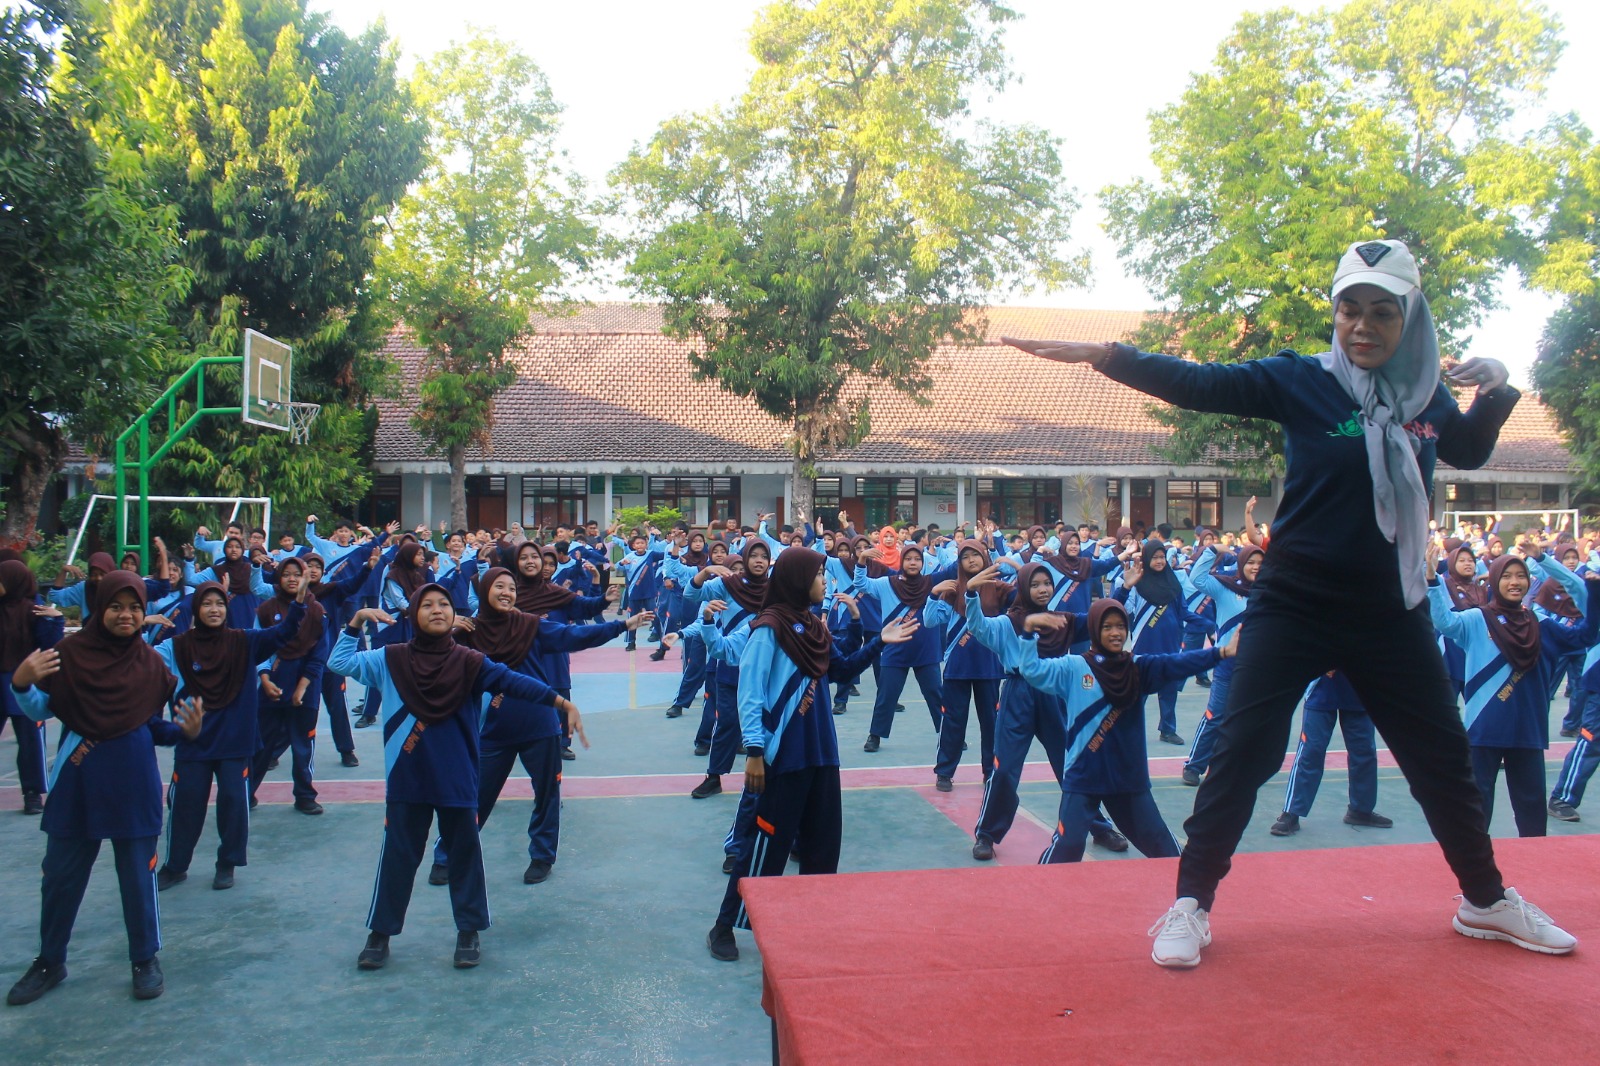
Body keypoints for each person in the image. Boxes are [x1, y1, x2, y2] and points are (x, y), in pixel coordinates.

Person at [1005, 238, 1576, 967]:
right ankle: (1190, 904)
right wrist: (1107, 355)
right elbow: (1199, 383)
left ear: (1409, 318)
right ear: (1334, 314)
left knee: (1442, 758)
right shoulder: (1300, 380)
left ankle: (1486, 901)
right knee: (1244, 749)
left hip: (1390, 608)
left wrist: (1494, 389)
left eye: (1382, 312)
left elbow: (1465, 449)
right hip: (1295, 601)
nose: (1362, 326)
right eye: (1349, 310)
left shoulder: (1426, 394)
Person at [328, 585, 564, 971]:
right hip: (407, 778)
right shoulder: (390, 659)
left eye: (444, 605)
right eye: (427, 605)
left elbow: (512, 682)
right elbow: (339, 663)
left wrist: (558, 701)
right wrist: (355, 622)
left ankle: (469, 930)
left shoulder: (470, 661)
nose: (437, 610)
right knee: (398, 857)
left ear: (454, 614)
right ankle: (380, 933)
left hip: (457, 778)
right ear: (412, 614)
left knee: (464, 855)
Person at [706, 548, 916, 962]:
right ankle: (724, 925)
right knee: (765, 848)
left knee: (822, 846)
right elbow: (750, 692)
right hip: (783, 756)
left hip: (821, 753)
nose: (825, 581)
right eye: (819, 575)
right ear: (799, 580)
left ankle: (812, 922)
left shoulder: (814, 627)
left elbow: (841, 670)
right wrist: (753, 751)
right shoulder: (768, 628)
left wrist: (879, 641)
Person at [5, 572, 204, 1005]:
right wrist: (21, 683)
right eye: (116, 606)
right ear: (100, 608)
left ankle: (145, 958)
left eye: (134, 608)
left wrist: (183, 732)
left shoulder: (151, 665)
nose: (125, 615)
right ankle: (50, 961)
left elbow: (152, 726)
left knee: (137, 877)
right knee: (60, 877)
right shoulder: (69, 654)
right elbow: (41, 708)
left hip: (133, 786)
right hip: (78, 782)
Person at [425, 567, 639, 886]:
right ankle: (446, 854)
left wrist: (620, 625)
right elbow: (430, 660)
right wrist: (447, 630)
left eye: (512, 588)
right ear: (484, 591)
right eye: (499, 586)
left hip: (540, 725)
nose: (507, 593)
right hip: (492, 729)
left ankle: (542, 855)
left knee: (547, 795)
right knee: (473, 796)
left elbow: (574, 636)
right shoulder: (468, 631)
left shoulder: (531, 625)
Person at [1018, 598, 1227, 863]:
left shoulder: (1138, 667)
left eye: (1120, 626)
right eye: (1107, 627)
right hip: (1084, 775)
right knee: (1067, 847)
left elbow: (1177, 663)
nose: (1115, 633)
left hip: (1128, 777)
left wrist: (1220, 653)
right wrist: (1028, 631)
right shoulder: (1074, 668)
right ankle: (1042, 888)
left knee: (1163, 848)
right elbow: (1032, 670)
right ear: (1094, 630)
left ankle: (1187, 888)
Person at [1426, 543, 1597, 836]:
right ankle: (1475, 862)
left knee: (1532, 814)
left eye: (1520, 576)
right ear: (1494, 580)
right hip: (1485, 729)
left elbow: (1585, 636)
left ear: (1529, 581)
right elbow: (1445, 621)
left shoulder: (1541, 624)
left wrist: (1593, 593)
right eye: (1506, 576)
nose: (1514, 582)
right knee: (1477, 810)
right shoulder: (1477, 620)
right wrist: (1432, 580)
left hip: (1528, 730)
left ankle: (1533, 861)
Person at [155, 580, 307, 890]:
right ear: (196, 609)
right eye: (206, 603)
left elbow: (282, 633)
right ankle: (175, 866)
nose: (214, 609)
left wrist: (299, 605)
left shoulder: (244, 641)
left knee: (234, 803)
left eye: (220, 603)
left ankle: (228, 862)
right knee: (185, 805)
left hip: (234, 740)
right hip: (193, 739)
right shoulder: (177, 647)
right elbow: (142, 661)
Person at [1268, 671, 1393, 837]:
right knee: (1311, 751)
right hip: (1322, 689)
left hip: (1358, 689)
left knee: (1364, 751)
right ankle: (1291, 812)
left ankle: (1361, 810)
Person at [1, 559, 64, 816]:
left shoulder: (33, 610)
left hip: (24, 682)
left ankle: (32, 792)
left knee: (30, 740)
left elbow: (50, 645)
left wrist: (55, 621)